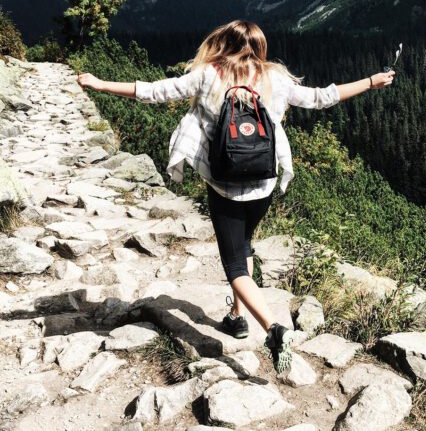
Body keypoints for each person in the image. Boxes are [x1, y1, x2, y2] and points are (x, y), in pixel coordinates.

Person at [76, 19, 395, 374]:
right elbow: (323, 98)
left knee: (233, 263)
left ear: (223, 44)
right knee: (244, 245)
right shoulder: (276, 78)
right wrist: (371, 81)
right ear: (260, 47)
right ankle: (236, 317)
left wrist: (99, 83)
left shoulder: (207, 74)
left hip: (224, 185)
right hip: (263, 183)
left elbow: (154, 91)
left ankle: (273, 330)